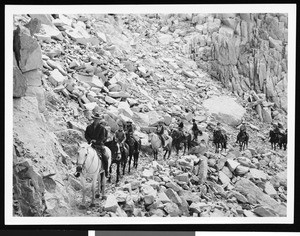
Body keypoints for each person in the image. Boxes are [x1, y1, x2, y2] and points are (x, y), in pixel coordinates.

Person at [85, 113, 110, 178]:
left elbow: (102, 137)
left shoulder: (102, 128)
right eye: (95, 119)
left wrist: (96, 141)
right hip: (90, 144)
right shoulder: (89, 127)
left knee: (105, 156)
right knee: (82, 153)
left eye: (97, 119)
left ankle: (106, 171)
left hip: (99, 144)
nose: (96, 120)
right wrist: (90, 140)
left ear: (99, 120)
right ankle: (79, 170)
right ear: (93, 119)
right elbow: (86, 135)